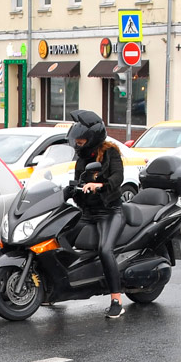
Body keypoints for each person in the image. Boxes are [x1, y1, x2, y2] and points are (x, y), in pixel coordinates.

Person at [65, 110, 127, 319]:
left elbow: (118, 177)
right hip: (88, 212)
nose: (78, 143)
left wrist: (100, 185)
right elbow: (78, 180)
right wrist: (69, 190)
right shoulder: (82, 158)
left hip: (110, 212)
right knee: (62, 236)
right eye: (77, 139)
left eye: (82, 139)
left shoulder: (111, 152)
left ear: (93, 137)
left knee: (105, 249)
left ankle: (116, 300)